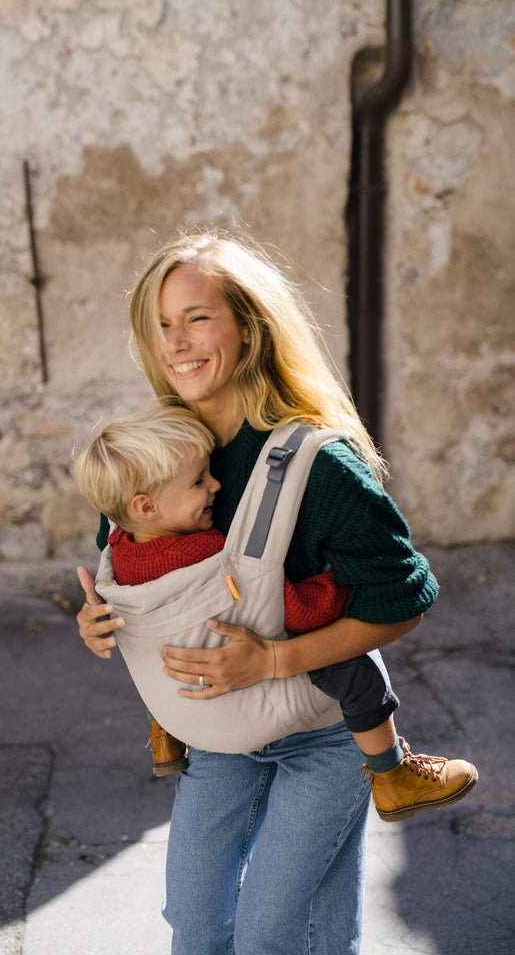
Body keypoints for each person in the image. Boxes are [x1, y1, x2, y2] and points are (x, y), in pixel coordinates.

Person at [75, 231, 477, 955]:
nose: (177, 342)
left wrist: (270, 663)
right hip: (219, 740)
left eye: (198, 317)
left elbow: (403, 597)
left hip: (322, 735)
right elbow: (132, 562)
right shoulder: (162, 450)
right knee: (195, 927)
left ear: (249, 327)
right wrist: (97, 619)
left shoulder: (321, 466)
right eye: (162, 324)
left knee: (277, 935)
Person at [74, 403, 477, 821]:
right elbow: (294, 609)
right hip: (242, 693)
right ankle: (393, 776)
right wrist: (340, 586)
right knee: (359, 669)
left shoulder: (119, 544)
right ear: (146, 507)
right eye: (199, 481)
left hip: (178, 702)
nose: (215, 485)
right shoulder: (204, 550)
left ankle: (165, 736)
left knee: (161, 637)